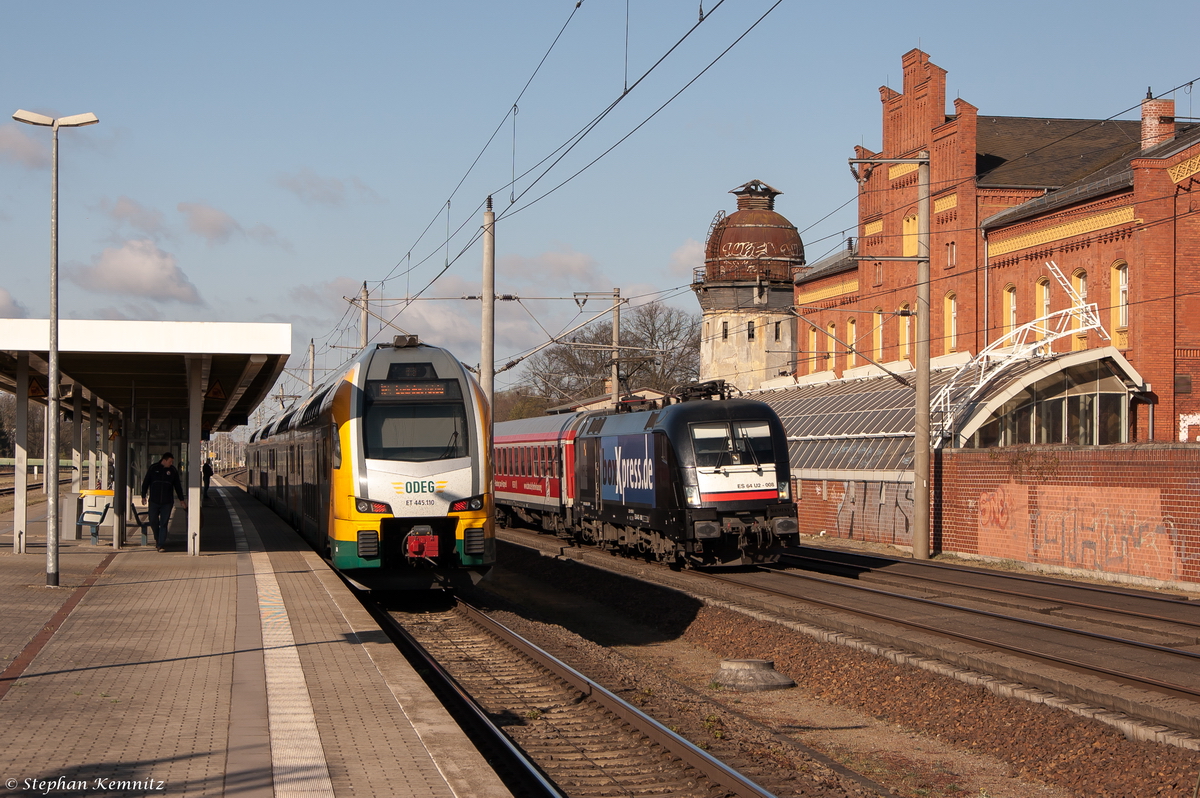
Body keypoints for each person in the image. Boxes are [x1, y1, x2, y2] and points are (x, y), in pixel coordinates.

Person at [141, 452, 186, 551]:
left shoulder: (172, 471)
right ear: (164, 460)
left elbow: (177, 486)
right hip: (154, 501)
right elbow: (146, 482)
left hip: (167, 502)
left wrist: (181, 499)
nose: (171, 463)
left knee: (164, 523)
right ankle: (157, 538)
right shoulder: (153, 468)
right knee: (153, 521)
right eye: (170, 461)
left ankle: (160, 544)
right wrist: (143, 496)